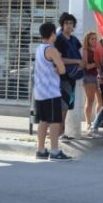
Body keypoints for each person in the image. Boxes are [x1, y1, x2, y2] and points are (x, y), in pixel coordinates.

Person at [33, 22, 72, 161]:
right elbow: (62, 69)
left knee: (43, 121)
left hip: (39, 91)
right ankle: (54, 151)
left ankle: (41, 150)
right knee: (55, 121)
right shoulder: (52, 49)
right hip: (51, 92)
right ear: (52, 34)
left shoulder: (39, 48)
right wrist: (57, 68)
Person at [54, 12, 84, 140]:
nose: (69, 25)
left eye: (71, 23)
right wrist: (76, 62)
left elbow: (79, 54)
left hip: (72, 76)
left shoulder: (74, 40)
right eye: (66, 23)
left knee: (67, 106)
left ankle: (63, 132)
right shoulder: (59, 39)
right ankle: (59, 133)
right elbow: (59, 59)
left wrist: (81, 63)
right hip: (62, 77)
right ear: (62, 24)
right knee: (62, 106)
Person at [82, 31, 101, 133]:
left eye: (95, 38)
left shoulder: (99, 48)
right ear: (88, 40)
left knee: (101, 101)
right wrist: (97, 63)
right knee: (90, 100)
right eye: (92, 39)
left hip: (99, 76)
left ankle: (96, 122)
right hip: (89, 76)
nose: (94, 41)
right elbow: (86, 66)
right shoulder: (86, 50)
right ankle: (88, 122)